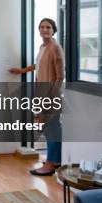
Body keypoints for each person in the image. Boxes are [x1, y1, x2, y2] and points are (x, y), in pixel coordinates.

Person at [9, 18, 64, 176]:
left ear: (53, 30)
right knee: (50, 129)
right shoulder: (43, 46)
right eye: (41, 27)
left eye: (48, 27)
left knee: (51, 129)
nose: (44, 29)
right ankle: (55, 161)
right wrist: (22, 71)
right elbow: (39, 65)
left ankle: (50, 164)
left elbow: (60, 76)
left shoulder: (55, 48)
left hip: (51, 96)